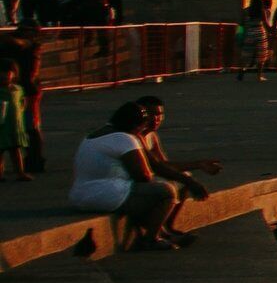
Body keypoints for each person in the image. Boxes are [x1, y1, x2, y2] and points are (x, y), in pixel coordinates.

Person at [70, 95, 217, 249]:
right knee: (164, 191)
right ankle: (149, 240)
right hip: (106, 196)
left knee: (146, 192)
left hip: (81, 196)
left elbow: (156, 165)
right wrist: (190, 181)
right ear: (135, 125)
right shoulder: (125, 138)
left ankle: (164, 234)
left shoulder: (94, 135)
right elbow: (144, 175)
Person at [0, 32, 39, 181]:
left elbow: (23, 102)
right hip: (2, 126)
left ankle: (20, 172)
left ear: (14, 74)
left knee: (16, 151)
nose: (3, 76)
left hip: (15, 126)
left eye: (7, 73)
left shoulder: (17, 89)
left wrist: (22, 112)